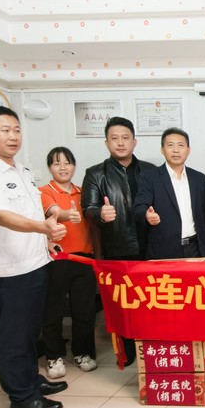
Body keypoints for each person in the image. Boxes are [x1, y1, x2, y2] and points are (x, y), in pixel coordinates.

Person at [0, 106, 68, 408]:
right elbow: (1, 216)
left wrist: (47, 235)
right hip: (10, 272)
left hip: (36, 264)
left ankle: (31, 381)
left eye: (17, 130)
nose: (13, 136)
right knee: (13, 338)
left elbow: (32, 212)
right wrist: (42, 228)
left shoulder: (21, 171)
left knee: (30, 332)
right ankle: (22, 399)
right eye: (5, 130)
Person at [81, 116, 155, 365]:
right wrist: (100, 214)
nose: (120, 143)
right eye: (114, 138)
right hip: (116, 250)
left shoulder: (151, 171)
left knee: (150, 302)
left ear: (134, 141)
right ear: (106, 143)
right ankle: (129, 353)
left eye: (125, 138)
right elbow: (88, 208)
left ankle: (150, 350)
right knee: (123, 305)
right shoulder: (95, 174)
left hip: (150, 249)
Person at [39, 147, 98, 379]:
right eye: (56, 163)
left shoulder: (84, 192)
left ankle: (82, 353)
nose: (63, 167)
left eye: (67, 163)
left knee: (84, 310)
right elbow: (54, 212)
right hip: (57, 259)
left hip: (85, 259)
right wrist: (67, 214)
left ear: (74, 166)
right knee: (52, 310)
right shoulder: (44, 191)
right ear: (49, 168)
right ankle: (54, 357)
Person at [133, 128, 205, 259]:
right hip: (163, 249)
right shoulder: (150, 177)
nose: (176, 150)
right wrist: (147, 215)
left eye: (181, 145)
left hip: (196, 248)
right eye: (170, 145)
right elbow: (139, 207)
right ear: (162, 150)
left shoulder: (199, 178)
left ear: (188, 150)